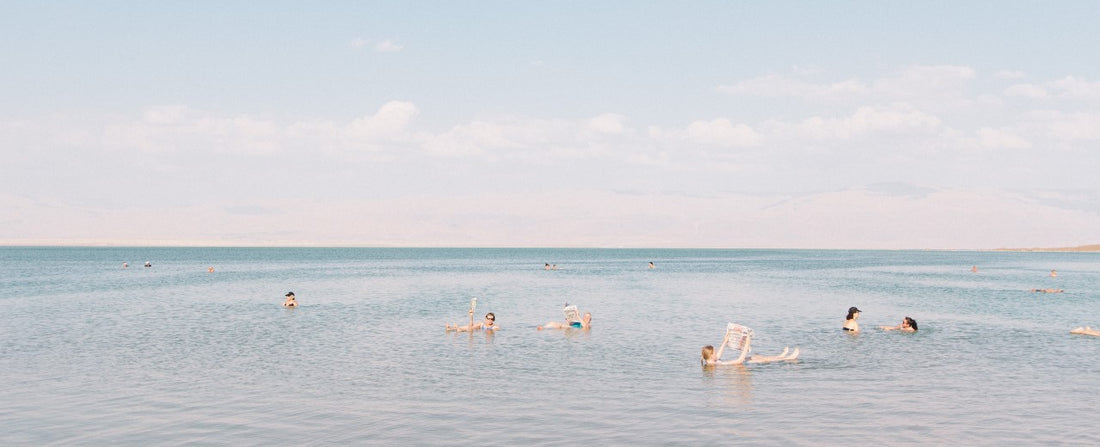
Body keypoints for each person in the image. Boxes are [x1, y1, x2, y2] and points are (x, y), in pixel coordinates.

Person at [701, 331, 799, 366]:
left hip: (743, 362)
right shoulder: (720, 365)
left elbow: (718, 355)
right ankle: (789, 358)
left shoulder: (711, 361)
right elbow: (739, 360)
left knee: (757, 356)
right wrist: (747, 344)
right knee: (763, 360)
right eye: (715, 352)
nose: (717, 352)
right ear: (710, 355)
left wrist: (725, 341)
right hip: (741, 364)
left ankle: (780, 356)